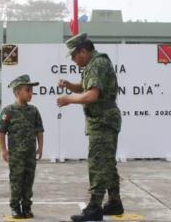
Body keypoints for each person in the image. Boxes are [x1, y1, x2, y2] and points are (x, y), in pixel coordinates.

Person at [57, 33, 123, 221]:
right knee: (108, 163)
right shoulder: (93, 65)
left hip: (102, 122)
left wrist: (67, 99)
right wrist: (70, 86)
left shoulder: (97, 64)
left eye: (73, 56)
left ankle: (94, 208)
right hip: (104, 121)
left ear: (83, 51)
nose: (72, 60)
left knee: (98, 163)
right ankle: (114, 203)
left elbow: (92, 95)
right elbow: (86, 88)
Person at [0, 74, 44, 219]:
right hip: (16, 155)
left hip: (30, 154)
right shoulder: (8, 111)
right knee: (16, 180)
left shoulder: (34, 111)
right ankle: (15, 207)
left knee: (29, 180)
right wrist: (3, 150)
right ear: (18, 92)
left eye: (31, 91)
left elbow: (39, 130)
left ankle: (27, 206)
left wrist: (40, 148)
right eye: (27, 90)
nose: (31, 93)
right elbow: (1, 131)